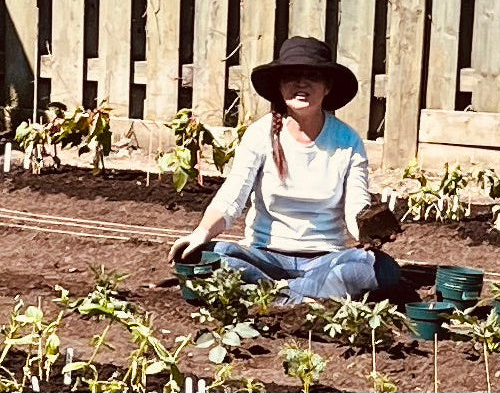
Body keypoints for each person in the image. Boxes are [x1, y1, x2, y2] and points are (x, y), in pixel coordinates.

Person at [168, 36, 400, 304]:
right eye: (291, 76)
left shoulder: (348, 141)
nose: (301, 84)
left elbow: (356, 206)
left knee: (380, 269)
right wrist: (201, 232)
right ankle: (309, 297)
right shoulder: (259, 134)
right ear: (279, 87)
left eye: (312, 76)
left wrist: (369, 232)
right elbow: (233, 194)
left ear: (327, 87)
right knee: (210, 257)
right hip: (264, 256)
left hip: (325, 259)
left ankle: (277, 295)